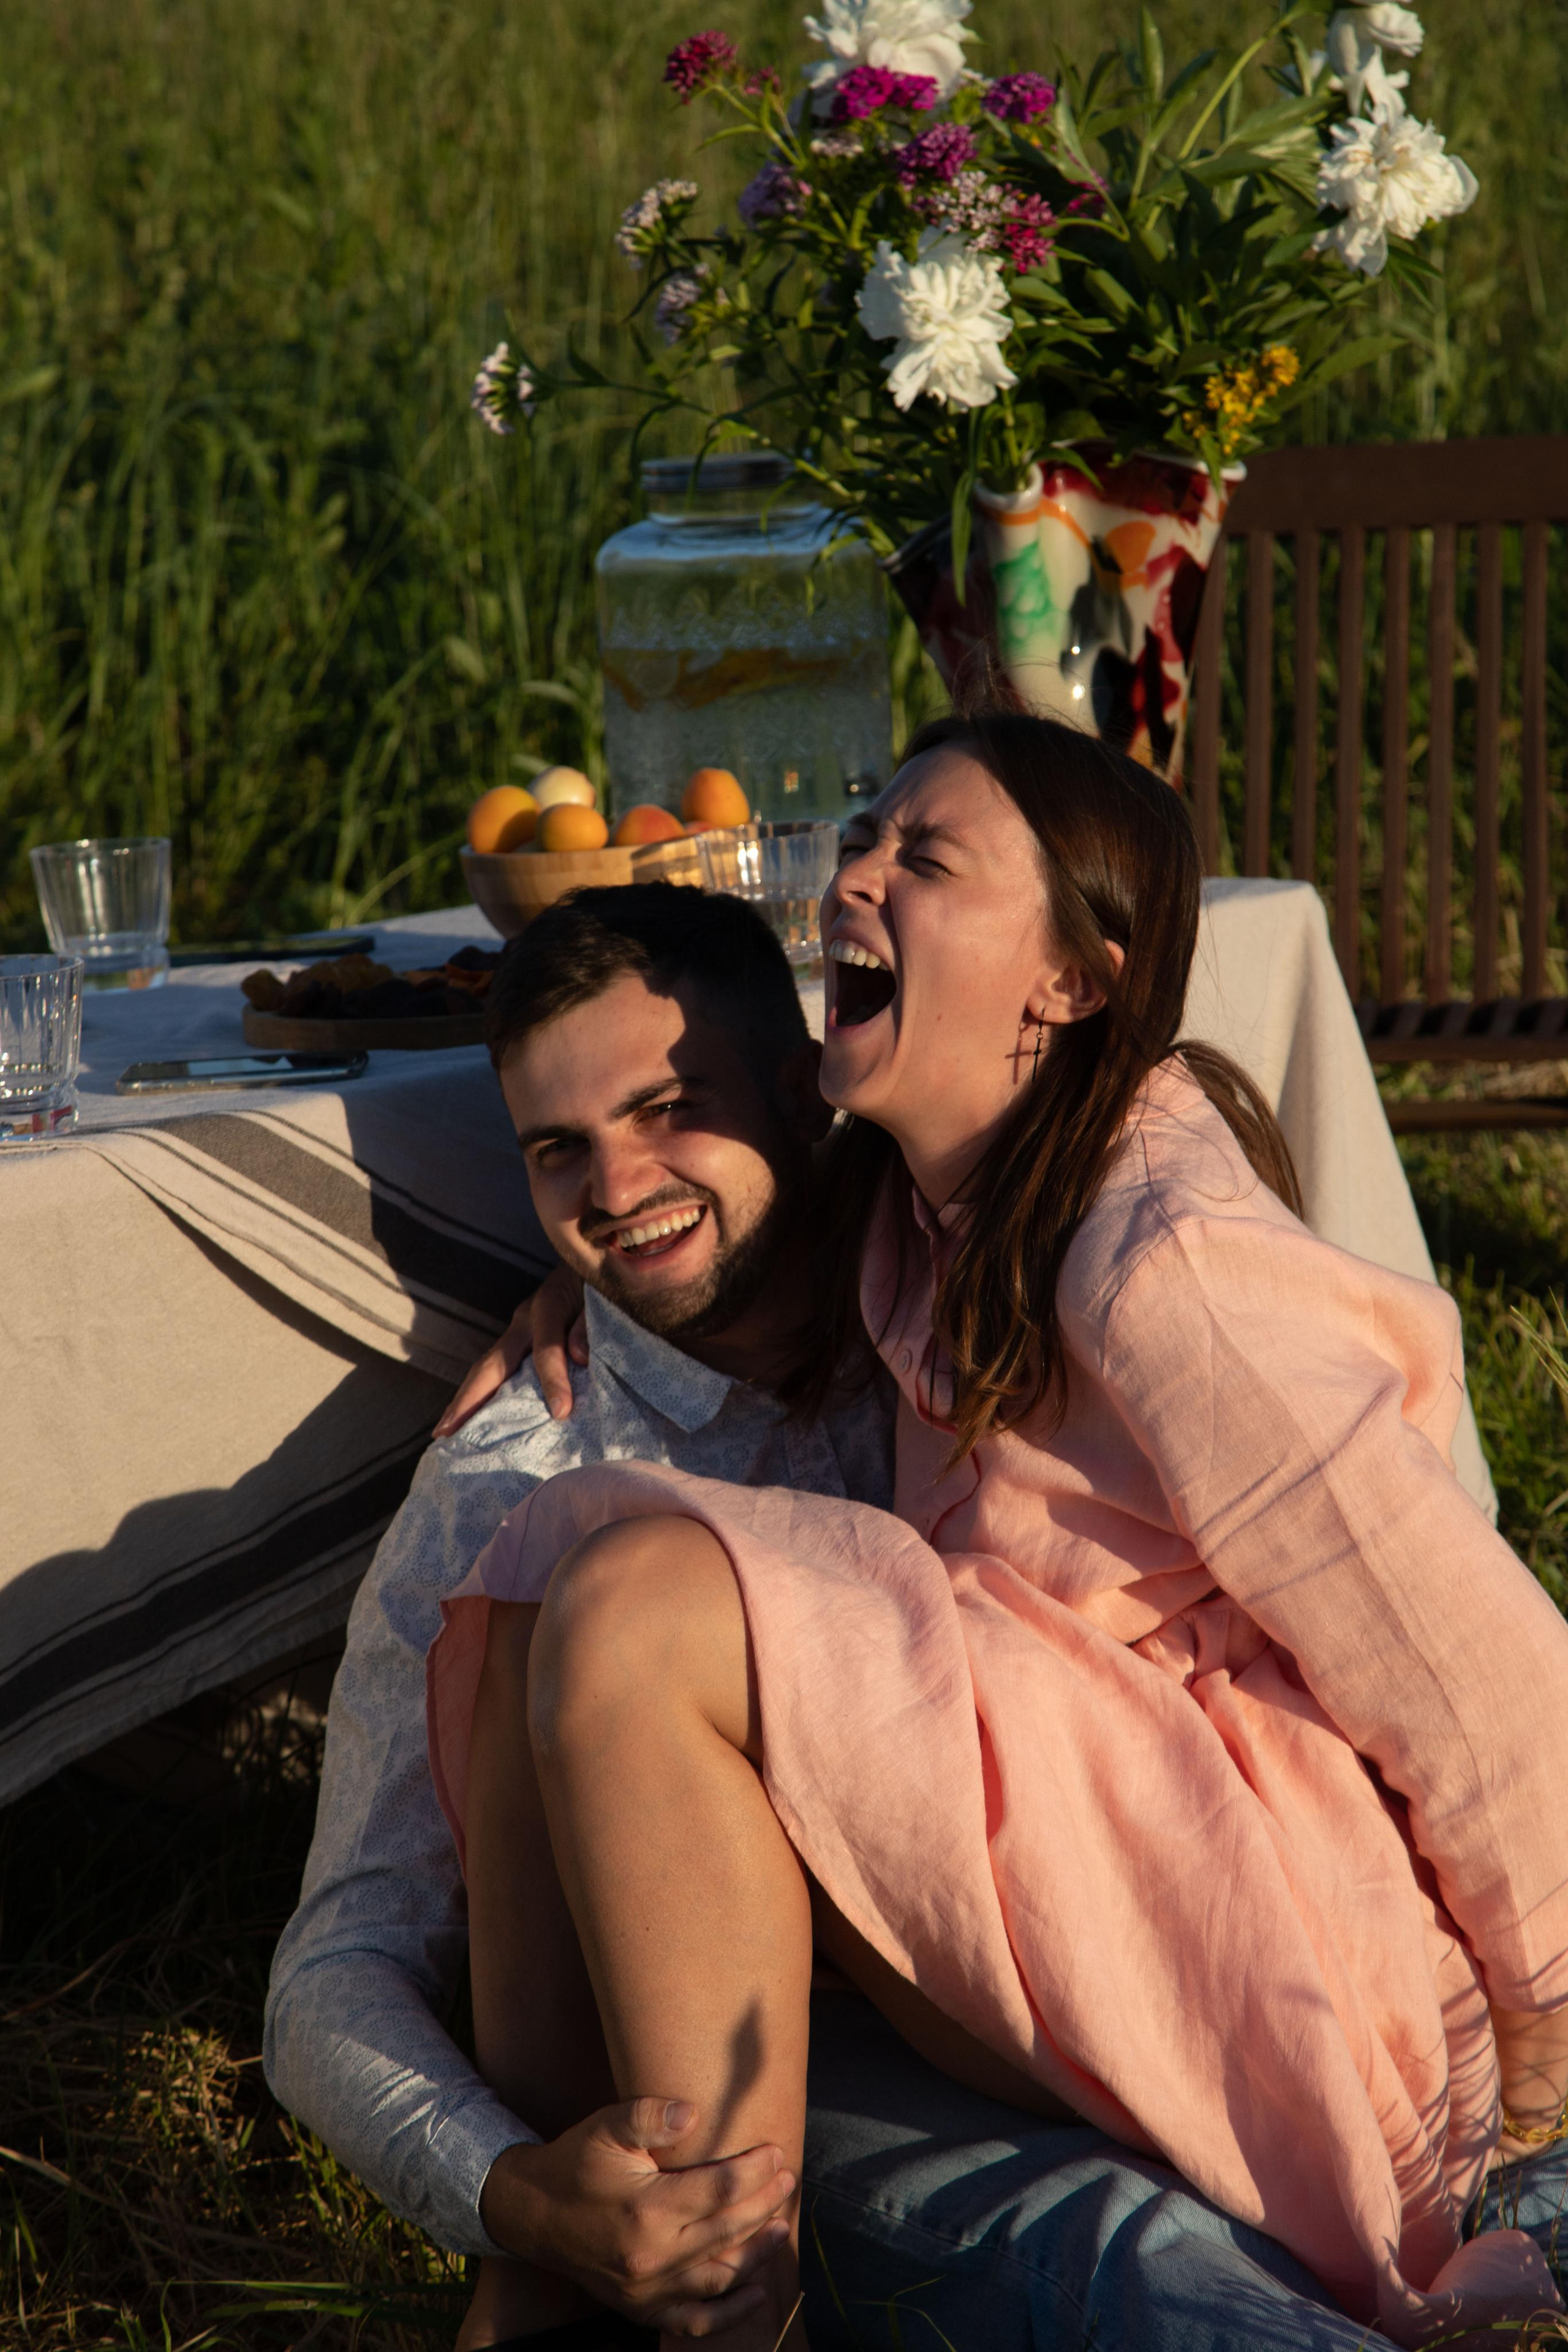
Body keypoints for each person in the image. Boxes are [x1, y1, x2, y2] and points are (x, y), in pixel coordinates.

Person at [428, 713, 1568, 2352]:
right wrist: (582, 1269)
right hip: (1087, 1858)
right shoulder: (927, 1199)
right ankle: (559, 2276)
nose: (857, 871)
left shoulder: (1159, 1250)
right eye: (867, 835)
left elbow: (1462, 1646)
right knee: (543, 1586)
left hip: (1264, 1934)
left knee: (634, 1600)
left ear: (1075, 978)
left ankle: (723, 2317)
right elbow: (728, 1218)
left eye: (925, 857)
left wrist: (1542, 2033)